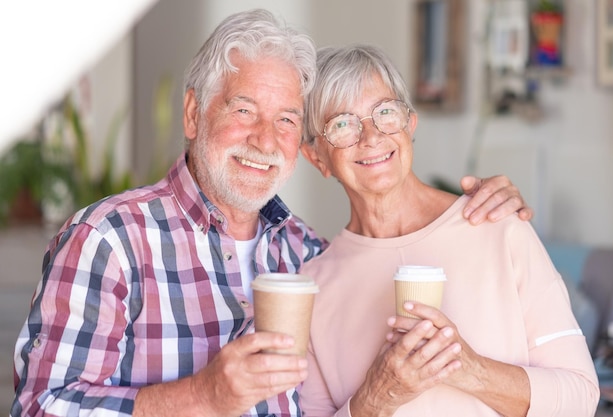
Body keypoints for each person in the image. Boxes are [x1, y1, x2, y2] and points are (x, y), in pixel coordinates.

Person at [11, 9, 532, 417]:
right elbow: (38, 407)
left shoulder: (308, 254)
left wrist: (477, 212)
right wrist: (202, 399)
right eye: (243, 110)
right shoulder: (110, 241)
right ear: (194, 114)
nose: (265, 139)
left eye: (286, 118)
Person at [298, 44, 599, 417]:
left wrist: (467, 368)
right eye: (342, 124)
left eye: (385, 113)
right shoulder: (311, 289)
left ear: (410, 124)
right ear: (316, 158)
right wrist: (377, 398)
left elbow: (581, 399)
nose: (371, 137)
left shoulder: (498, 226)